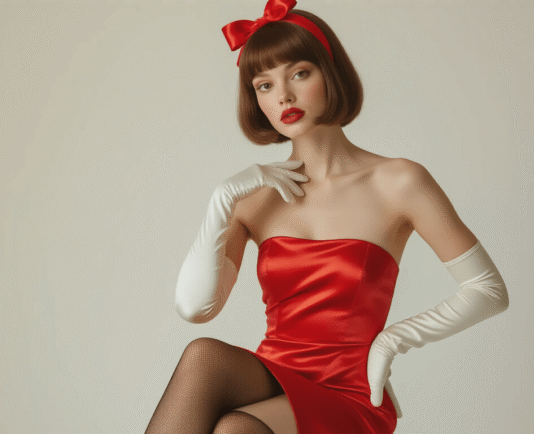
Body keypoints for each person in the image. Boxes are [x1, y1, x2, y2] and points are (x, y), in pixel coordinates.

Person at [145, 1, 509, 433]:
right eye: (264, 85)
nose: (283, 96)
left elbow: (488, 289)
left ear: (329, 74)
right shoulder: (252, 199)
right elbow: (194, 308)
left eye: (299, 73)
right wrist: (221, 199)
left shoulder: (398, 181)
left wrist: (393, 341)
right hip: (273, 376)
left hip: (351, 390)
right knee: (203, 354)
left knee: (236, 430)